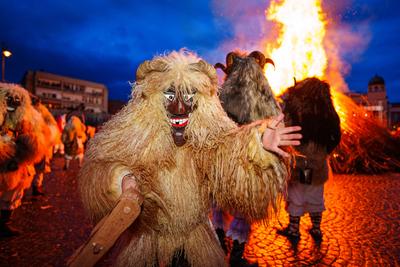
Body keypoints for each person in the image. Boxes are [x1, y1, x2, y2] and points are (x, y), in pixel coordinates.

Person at [76, 50, 301, 267]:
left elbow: (231, 155)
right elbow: (100, 164)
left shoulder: (208, 137)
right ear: (152, 98)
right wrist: (122, 178)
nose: (180, 107)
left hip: (193, 237)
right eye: (170, 94)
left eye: (190, 94)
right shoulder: (132, 133)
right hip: (146, 238)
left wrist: (258, 145)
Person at [213, 50, 284, 266]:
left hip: (223, 162)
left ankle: (218, 241)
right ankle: (236, 255)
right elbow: (274, 124)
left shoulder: (220, 97)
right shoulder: (263, 95)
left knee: (218, 201)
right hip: (250, 162)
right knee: (244, 207)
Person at [278, 77, 341, 243]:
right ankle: (316, 228)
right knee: (315, 195)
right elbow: (336, 136)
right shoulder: (329, 111)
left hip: (298, 161)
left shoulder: (295, 108)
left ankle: (293, 230)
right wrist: (324, 152)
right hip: (318, 163)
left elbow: (286, 129)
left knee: (296, 194)